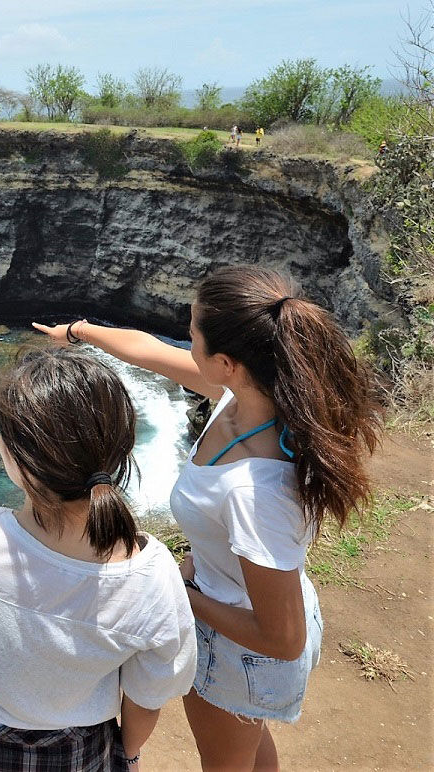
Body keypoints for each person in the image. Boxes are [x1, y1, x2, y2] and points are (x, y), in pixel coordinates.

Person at [33, 265, 381, 771]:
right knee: (249, 749)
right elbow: (149, 351)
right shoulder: (253, 398)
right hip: (242, 611)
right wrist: (78, 333)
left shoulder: (255, 492)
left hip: (242, 648)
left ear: (225, 362)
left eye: (192, 332)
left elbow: (283, 639)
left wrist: (183, 596)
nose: (184, 339)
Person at [0, 348, 196, 772]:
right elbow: (147, 698)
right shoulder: (152, 574)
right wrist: (128, 755)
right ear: (121, 449)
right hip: (77, 753)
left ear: (14, 459)